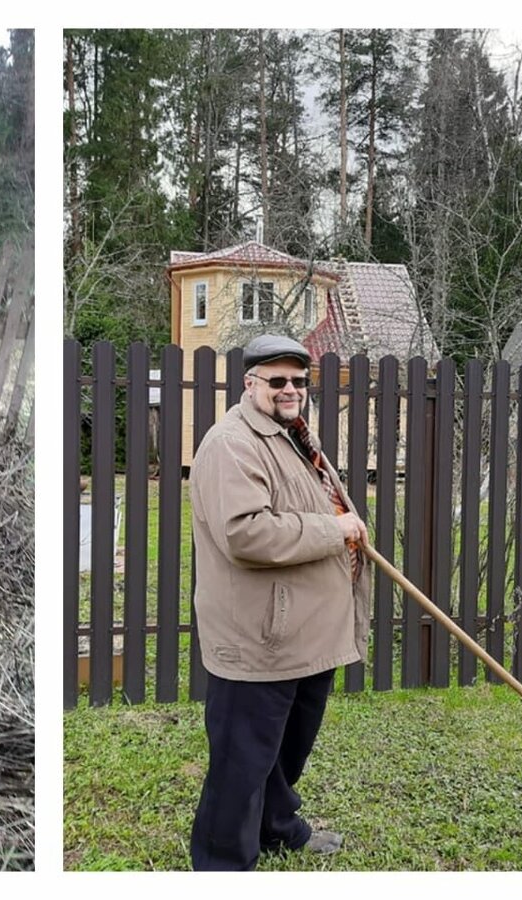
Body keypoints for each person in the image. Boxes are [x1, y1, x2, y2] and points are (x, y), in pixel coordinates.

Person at [188, 333, 370, 871]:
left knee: (283, 752)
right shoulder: (232, 443)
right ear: (250, 384)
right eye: (277, 381)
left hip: (305, 636)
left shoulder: (291, 436)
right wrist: (335, 529)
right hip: (260, 636)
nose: (290, 389)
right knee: (241, 764)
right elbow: (246, 534)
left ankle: (277, 827)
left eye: (298, 380)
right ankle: (222, 864)